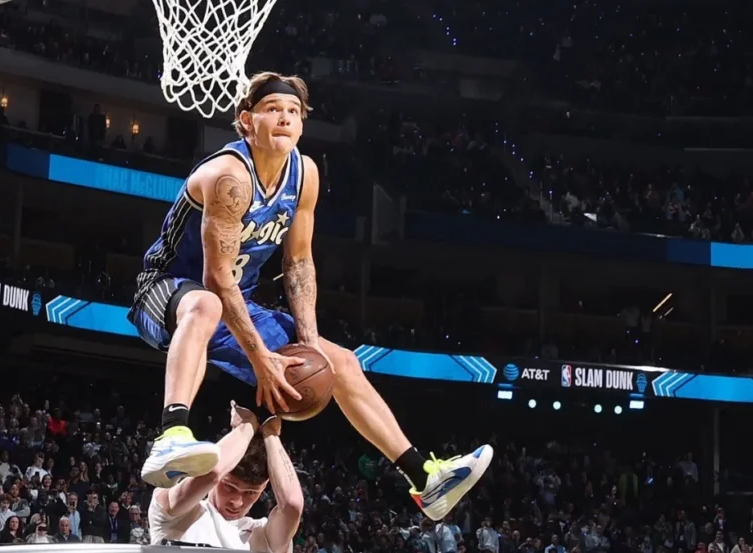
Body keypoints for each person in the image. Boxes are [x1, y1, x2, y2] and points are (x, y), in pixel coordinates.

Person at [127, 70, 493, 520]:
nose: (285, 118)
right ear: (247, 121)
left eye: (294, 111)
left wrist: (310, 343)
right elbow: (216, 278)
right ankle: (171, 435)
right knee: (206, 303)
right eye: (272, 109)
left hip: (234, 303)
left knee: (341, 363)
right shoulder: (228, 176)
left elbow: (299, 263)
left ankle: (425, 479)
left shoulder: (305, 174)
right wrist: (260, 357)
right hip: (165, 291)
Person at [148, 401, 301, 551]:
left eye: (250, 493)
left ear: (264, 487)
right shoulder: (176, 514)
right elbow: (213, 473)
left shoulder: (263, 535)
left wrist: (271, 434)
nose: (237, 503)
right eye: (229, 486)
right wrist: (247, 425)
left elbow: (292, 504)